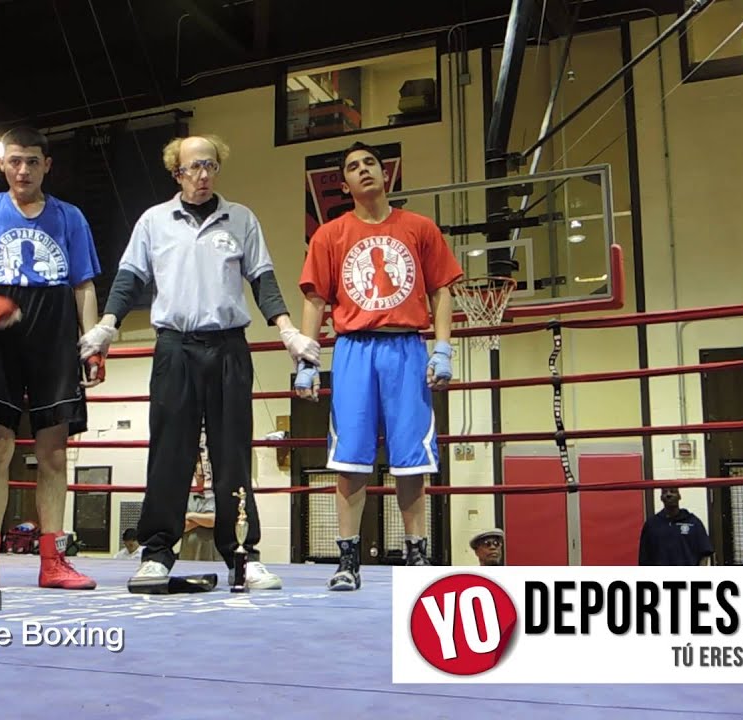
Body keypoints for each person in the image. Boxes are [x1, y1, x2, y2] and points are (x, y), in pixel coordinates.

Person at [78, 134, 319, 591]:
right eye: (194, 167)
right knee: (169, 452)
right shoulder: (154, 222)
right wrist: (107, 325)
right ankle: (156, 553)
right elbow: (129, 277)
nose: (204, 174)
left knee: (232, 455)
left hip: (229, 346)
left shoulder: (241, 218)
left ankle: (241, 556)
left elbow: (263, 279)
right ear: (177, 173)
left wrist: (287, 330)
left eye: (210, 165)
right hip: (175, 347)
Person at [295, 141, 463, 591]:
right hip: (352, 349)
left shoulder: (419, 228)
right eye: (353, 166)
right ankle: (348, 560)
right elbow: (314, 299)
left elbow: (442, 289)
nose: (363, 170)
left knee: (411, 461)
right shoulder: (329, 235)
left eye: (370, 162)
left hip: (406, 347)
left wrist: (443, 349)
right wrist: (307, 361)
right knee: (349, 460)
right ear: (345, 182)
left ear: (384, 174)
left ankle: (417, 557)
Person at [0, 126, 104, 590]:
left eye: (32, 161)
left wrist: (91, 342)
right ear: (2, 164)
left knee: (53, 448)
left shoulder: (70, 217)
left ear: (46, 165)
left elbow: (83, 283)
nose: (23, 169)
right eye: (14, 161)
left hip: (54, 322)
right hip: (0, 321)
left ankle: (53, 560)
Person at [637, 487, 712, 566]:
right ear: (661, 498)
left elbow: (704, 554)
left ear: (679, 496)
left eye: (673, 491)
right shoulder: (651, 525)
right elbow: (644, 559)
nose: (668, 494)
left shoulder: (693, 523)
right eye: (665, 492)